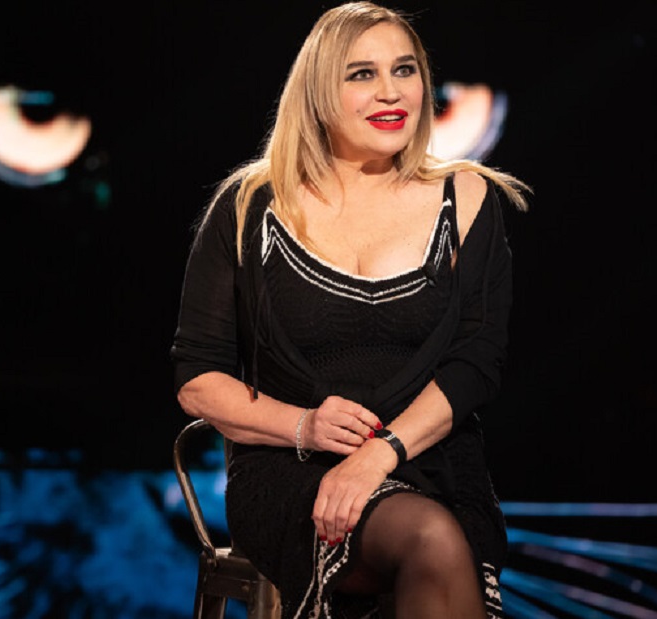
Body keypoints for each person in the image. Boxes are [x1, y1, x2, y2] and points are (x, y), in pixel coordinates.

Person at [170, 2, 530, 617]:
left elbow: (476, 362)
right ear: (316, 94)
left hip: (428, 461)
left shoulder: (469, 198)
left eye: (405, 70)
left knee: (436, 530)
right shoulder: (250, 206)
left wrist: (380, 454)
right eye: (362, 74)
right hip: (291, 471)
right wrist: (305, 426)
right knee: (430, 538)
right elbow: (198, 381)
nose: (391, 92)